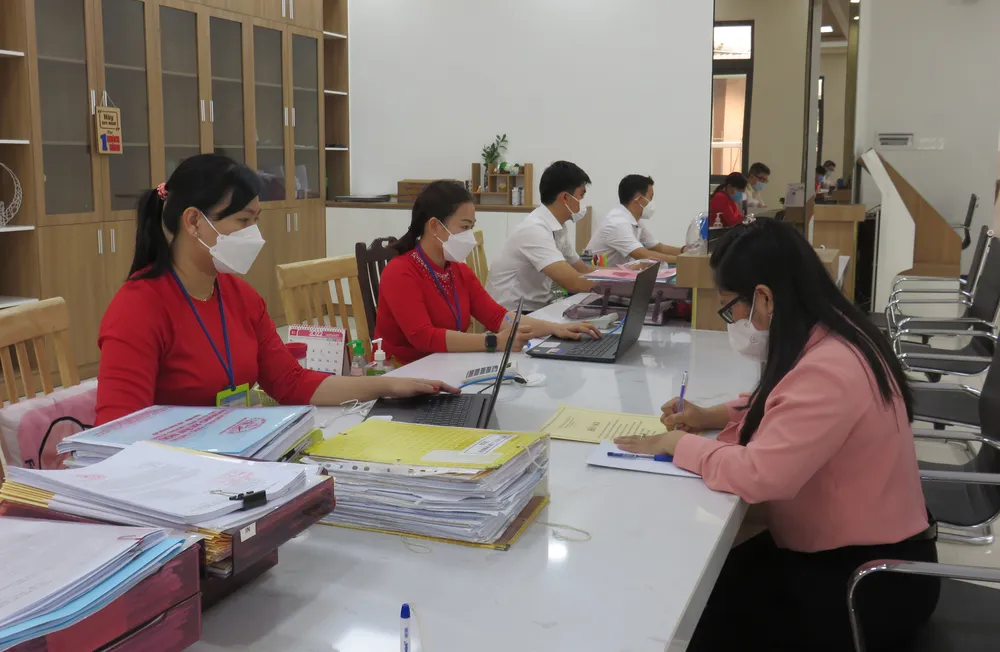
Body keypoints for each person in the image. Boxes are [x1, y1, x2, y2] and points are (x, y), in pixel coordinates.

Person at [615, 218, 939, 652]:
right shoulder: (834, 333)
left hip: (867, 585)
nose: (732, 321)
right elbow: (784, 403)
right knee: (698, 588)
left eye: (730, 308)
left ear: (764, 297)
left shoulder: (830, 368)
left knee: (692, 617)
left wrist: (679, 445)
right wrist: (711, 415)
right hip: (857, 554)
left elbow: (760, 475)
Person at [95, 154, 456, 426]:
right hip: (178, 475)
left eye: (256, 220)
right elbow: (115, 431)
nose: (254, 234)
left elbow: (291, 382)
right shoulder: (139, 307)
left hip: (232, 457)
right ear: (193, 222)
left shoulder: (239, 296)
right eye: (243, 220)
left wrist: (389, 386)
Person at [375, 180, 600, 365]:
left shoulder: (457, 270)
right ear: (434, 226)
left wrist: (555, 328)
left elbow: (498, 317)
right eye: (464, 227)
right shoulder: (400, 271)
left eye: (471, 227)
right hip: (403, 371)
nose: (469, 236)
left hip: (445, 363)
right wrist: (493, 342)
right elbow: (423, 337)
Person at [486, 161, 597, 311]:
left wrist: (623, 275)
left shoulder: (558, 227)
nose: (582, 202)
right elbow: (573, 282)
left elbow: (582, 269)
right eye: (581, 195)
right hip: (512, 313)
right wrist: (618, 286)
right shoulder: (534, 229)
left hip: (536, 308)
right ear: (565, 198)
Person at [585, 175, 682, 266]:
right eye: (650, 198)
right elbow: (644, 255)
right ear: (639, 199)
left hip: (616, 274)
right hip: (598, 276)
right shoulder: (618, 223)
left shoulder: (635, 221)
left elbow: (658, 247)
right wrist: (684, 260)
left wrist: (684, 251)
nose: (652, 203)